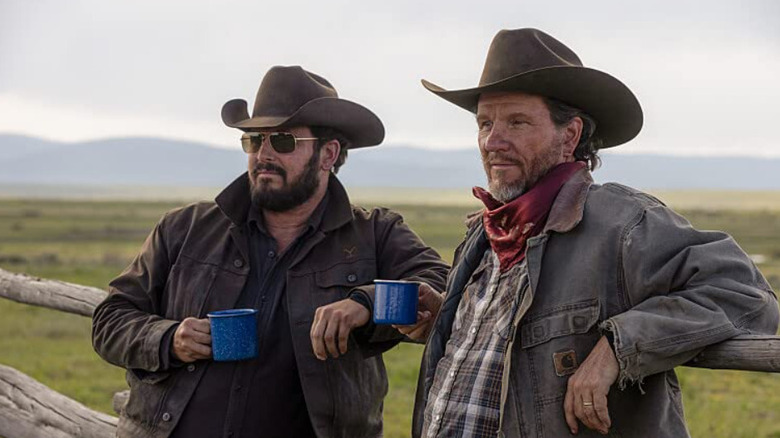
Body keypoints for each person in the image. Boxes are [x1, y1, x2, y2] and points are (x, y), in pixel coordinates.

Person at [400, 28, 780, 438]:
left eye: (517, 122)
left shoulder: (623, 223)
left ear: (570, 135)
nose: (493, 141)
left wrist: (619, 347)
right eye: (485, 123)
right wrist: (451, 320)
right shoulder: (486, 235)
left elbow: (748, 296)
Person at [92, 65, 449, 438]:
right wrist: (169, 339)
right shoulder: (185, 228)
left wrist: (366, 302)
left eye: (282, 141)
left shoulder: (375, 233)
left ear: (328, 154)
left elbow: (440, 283)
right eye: (253, 140)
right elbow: (110, 319)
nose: (263, 154)